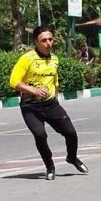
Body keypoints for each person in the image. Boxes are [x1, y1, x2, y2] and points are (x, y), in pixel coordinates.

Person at [10, 25, 87, 181]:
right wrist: (33, 90)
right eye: (44, 40)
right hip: (30, 106)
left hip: (50, 104)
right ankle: (49, 166)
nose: (48, 43)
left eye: (50, 39)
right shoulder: (27, 59)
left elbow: (54, 82)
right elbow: (13, 81)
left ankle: (72, 157)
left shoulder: (55, 59)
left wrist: (55, 100)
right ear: (36, 42)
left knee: (71, 133)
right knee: (40, 135)